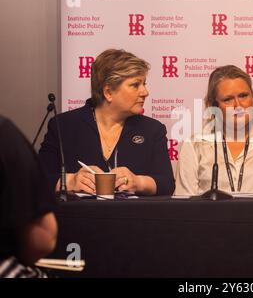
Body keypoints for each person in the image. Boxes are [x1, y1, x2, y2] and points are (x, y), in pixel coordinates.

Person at [39, 49, 175, 196]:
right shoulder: (63, 126)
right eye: (136, 85)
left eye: (144, 84)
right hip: (77, 218)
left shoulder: (152, 130)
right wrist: (69, 181)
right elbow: (36, 180)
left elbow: (167, 184)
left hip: (134, 218)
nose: (145, 92)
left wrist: (138, 182)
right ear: (108, 92)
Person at [175, 65, 253, 196]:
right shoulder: (194, 146)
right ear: (213, 105)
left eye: (243, 96)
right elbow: (184, 204)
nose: (238, 105)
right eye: (228, 99)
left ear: (252, 98)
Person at [0, 116, 58, 277]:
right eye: (133, 87)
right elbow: (43, 239)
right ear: (108, 92)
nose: (136, 92)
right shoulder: (4, 133)